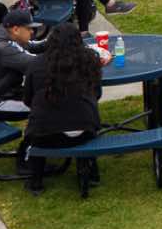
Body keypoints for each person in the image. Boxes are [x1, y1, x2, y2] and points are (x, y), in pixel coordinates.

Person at [22, 21, 104, 185]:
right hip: (85, 130)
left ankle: (36, 182)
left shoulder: (36, 65)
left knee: (36, 131)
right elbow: (97, 94)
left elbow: (28, 99)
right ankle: (91, 173)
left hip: (46, 134)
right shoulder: (90, 61)